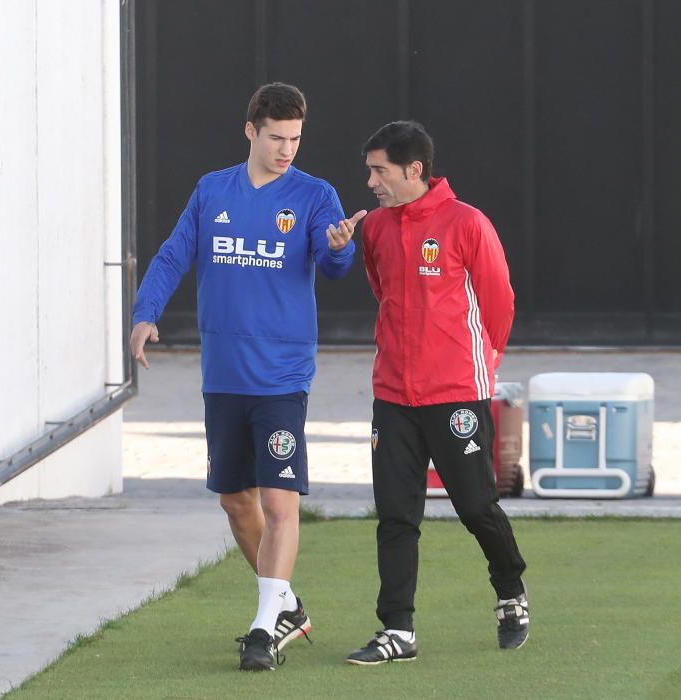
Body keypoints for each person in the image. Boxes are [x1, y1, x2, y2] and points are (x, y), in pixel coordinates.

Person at [130, 82, 366, 672]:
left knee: (280, 500)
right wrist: (144, 314)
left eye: (296, 139)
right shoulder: (214, 190)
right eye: (277, 137)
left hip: (283, 376)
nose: (288, 149)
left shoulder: (315, 195)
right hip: (224, 375)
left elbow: (334, 264)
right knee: (237, 503)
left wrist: (340, 248)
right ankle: (284, 604)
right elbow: (173, 254)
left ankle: (263, 630)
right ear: (251, 132)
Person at [346, 121, 529, 665]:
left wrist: (478, 368)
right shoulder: (375, 228)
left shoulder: (467, 223)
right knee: (396, 515)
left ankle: (511, 593)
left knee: (476, 506)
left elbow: (500, 305)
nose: (372, 181)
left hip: (456, 396)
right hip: (393, 396)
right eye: (369, 170)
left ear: (414, 169)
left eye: (379, 170)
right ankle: (398, 630)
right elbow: (384, 293)